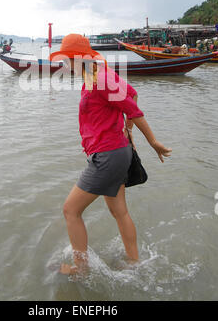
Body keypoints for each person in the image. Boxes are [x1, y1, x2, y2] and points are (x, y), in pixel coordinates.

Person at [50, 34, 172, 275]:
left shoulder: (99, 79)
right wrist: (126, 130)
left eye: (66, 60)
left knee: (70, 210)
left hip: (108, 156)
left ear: (78, 59)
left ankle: (81, 269)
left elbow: (133, 109)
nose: (64, 65)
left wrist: (153, 142)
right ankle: (134, 262)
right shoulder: (97, 76)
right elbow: (133, 93)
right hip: (115, 152)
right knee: (119, 211)